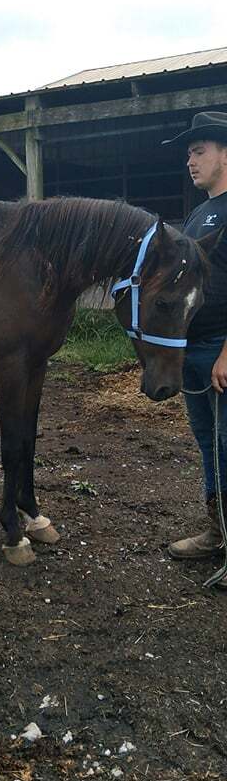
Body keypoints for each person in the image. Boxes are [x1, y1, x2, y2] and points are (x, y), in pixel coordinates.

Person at [163, 111, 227, 585]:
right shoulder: (196, 213)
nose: (190, 160)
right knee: (208, 445)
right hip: (194, 348)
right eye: (188, 153)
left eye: (199, 150)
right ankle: (218, 531)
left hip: (222, 350)